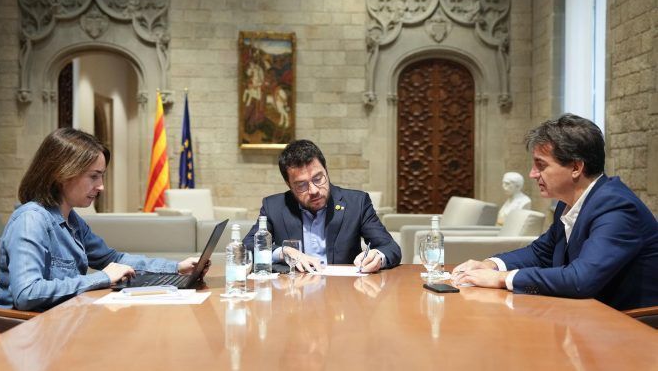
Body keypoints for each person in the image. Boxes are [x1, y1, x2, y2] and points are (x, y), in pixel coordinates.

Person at [452, 114, 658, 310]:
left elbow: (581, 280)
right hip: (585, 315)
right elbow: (541, 252)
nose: (532, 174)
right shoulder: (567, 202)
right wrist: (491, 265)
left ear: (576, 167)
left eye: (541, 165)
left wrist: (502, 278)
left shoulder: (616, 207)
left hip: (628, 325)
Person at [0, 128, 209, 311]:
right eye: (94, 176)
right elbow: (27, 294)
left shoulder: (72, 220)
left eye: (102, 176)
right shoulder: (31, 220)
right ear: (61, 174)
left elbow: (113, 258)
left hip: (61, 324)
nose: (101, 186)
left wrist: (176, 268)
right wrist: (103, 277)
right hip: (26, 334)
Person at [243, 140, 401, 273]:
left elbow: (390, 247)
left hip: (343, 296)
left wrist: (378, 257)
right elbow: (247, 247)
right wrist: (283, 252)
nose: (314, 190)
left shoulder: (356, 203)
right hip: (293, 296)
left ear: (326, 171)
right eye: (301, 185)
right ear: (289, 185)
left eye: (318, 179)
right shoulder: (274, 206)